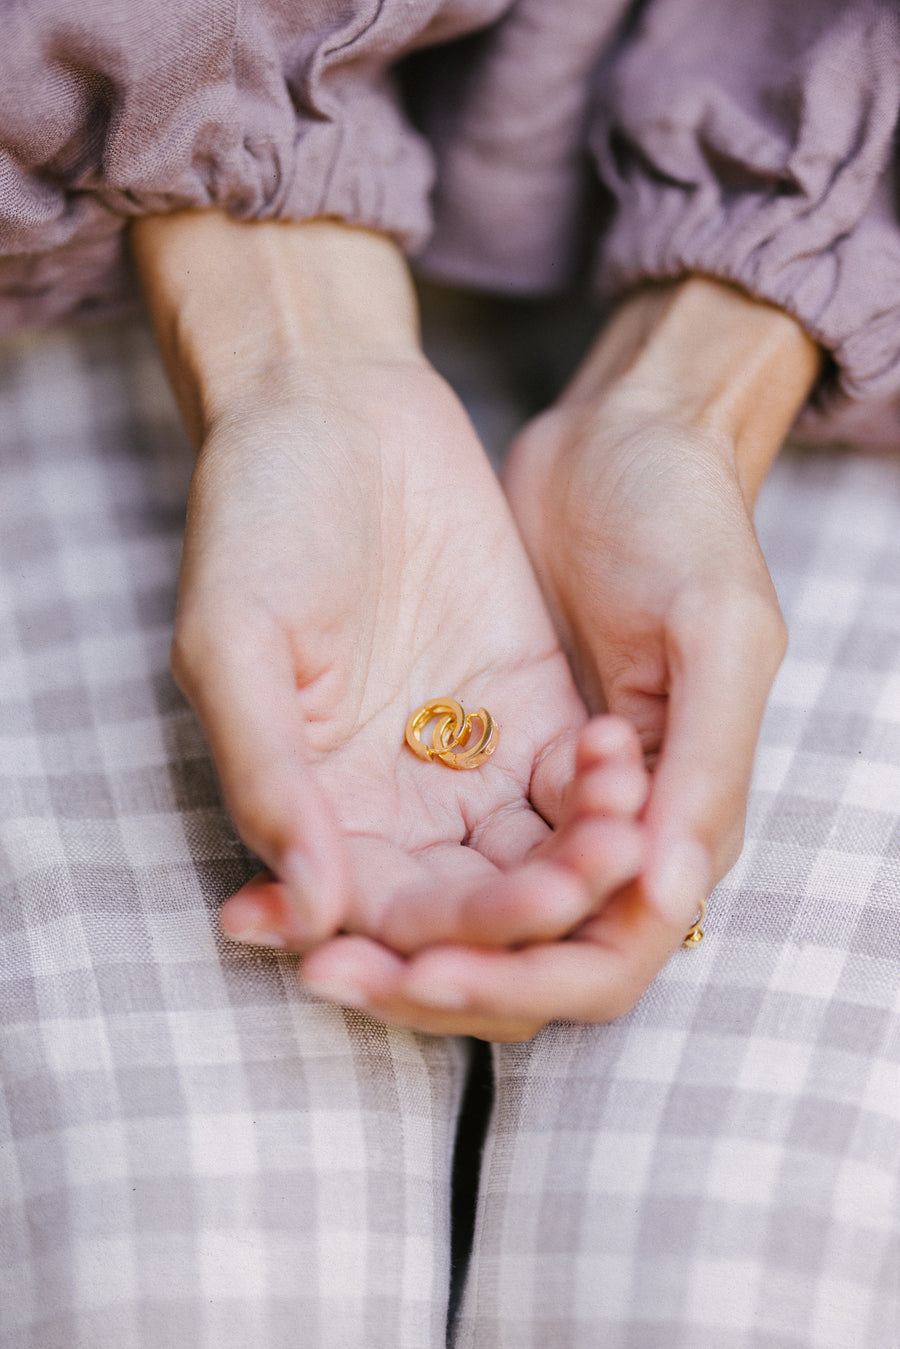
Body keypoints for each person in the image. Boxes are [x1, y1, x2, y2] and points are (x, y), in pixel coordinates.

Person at [1, 0, 897, 1344]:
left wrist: (701, 390)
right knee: (175, 1285)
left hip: (842, 306)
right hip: (102, 197)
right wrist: (286, 340)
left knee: (733, 1289)